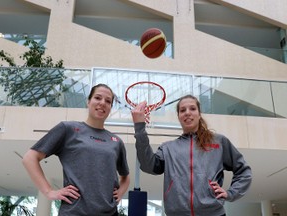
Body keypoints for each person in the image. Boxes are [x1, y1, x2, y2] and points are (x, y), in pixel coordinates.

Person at [131, 94, 252, 216]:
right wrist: (139, 128)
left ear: (199, 114)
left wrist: (231, 193)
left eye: (192, 109)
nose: (187, 113)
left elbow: (244, 171)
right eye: (182, 110)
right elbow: (148, 166)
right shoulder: (168, 148)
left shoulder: (218, 142)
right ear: (178, 116)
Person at [22, 83, 130, 216]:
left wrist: (120, 193)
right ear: (88, 101)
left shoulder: (116, 142)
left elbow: (125, 177)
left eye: (108, 101)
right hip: (74, 212)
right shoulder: (68, 129)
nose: (102, 103)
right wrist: (49, 192)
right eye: (98, 98)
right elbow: (30, 158)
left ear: (110, 107)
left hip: (109, 212)